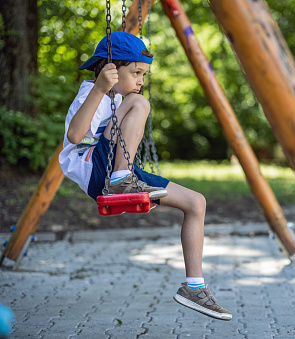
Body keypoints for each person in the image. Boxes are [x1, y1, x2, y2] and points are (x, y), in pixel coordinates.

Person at [59, 31, 232, 321]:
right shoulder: (91, 93)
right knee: (141, 103)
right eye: (136, 72)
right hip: (94, 167)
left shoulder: (121, 99)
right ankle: (120, 181)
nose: (141, 80)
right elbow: (75, 135)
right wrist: (100, 89)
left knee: (196, 203)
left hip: (116, 166)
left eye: (143, 73)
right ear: (109, 69)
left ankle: (194, 287)